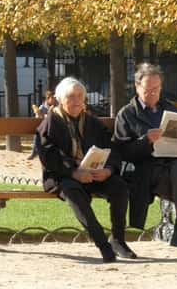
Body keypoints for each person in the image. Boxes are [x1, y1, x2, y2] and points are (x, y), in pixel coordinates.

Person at [113, 63, 177, 260]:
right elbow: (122, 151)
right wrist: (146, 141)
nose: (152, 93)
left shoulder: (169, 108)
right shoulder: (126, 114)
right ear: (137, 87)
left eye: (156, 89)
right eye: (147, 89)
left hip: (174, 164)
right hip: (147, 170)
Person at [36, 77, 136, 263]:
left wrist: (108, 170)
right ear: (59, 99)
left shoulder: (91, 121)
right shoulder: (51, 122)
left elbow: (112, 148)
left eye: (80, 96)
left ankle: (117, 240)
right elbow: (49, 156)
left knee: (119, 186)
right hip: (63, 176)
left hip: (94, 174)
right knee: (73, 192)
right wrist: (74, 173)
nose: (76, 100)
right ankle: (103, 245)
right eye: (71, 96)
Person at [28, 91, 57, 160]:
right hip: (43, 127)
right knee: (37, 136)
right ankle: (34, 153)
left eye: (55, 98)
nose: (54, 100)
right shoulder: (42, 107)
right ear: (47, 99)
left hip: (53, 128)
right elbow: (38, 119)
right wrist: (39, 113)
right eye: (52, 98)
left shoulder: (56, 107)